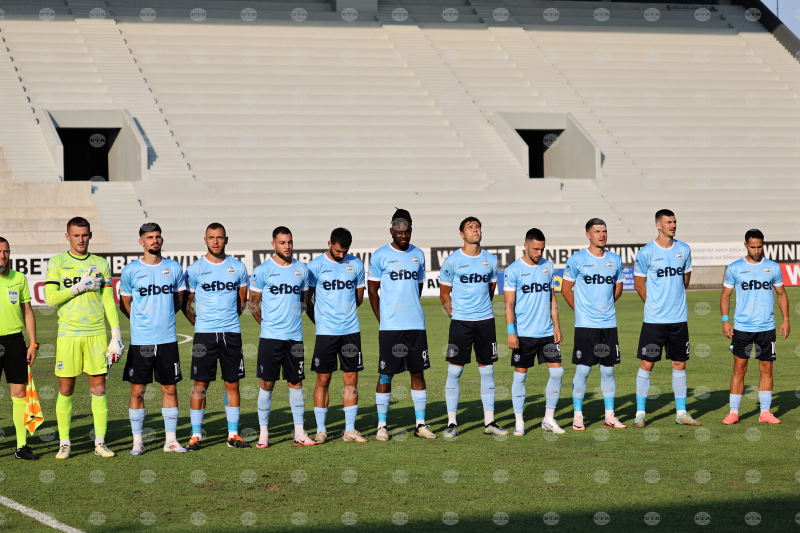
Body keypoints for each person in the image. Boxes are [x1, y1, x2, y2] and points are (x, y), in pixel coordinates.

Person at [44, 217, 123, 459]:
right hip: (68, 334)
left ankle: (100, 443)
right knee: (65, 388)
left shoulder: (101, 263)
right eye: (76, 235)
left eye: (85, 235)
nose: (81, 239)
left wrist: (116, 333)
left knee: (98, 389)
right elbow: (50, 297)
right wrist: (78, 287)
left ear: (90, 235)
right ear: (67, 236)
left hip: (96, 334)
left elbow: (108, 301)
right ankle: (64, 443)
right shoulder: (58, 262)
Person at [368, 209, 436, 441]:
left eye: (407, 232)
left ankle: (420, 425)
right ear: (391, 231)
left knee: (418, 372)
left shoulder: (418, 254)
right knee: (386, 374)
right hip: (391, 328)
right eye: (399, 232)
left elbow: (418, 287)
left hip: (416, 326)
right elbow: (373, 292)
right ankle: (381, 426)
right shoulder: (380, 255)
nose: (403, 235)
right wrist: (384, 319)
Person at [119, 223, 187, 454]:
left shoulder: (173, 267)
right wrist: (142, 321)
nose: (155, 240)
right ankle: (137, 441)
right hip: (142, 340)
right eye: (150, 237)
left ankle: (171, 441)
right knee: (138, 390)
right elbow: (125, 304)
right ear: (141, 242)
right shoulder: (130, 270)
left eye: (158, 236)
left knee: (170, 388)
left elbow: (179, 299)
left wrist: (163, 316)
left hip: (167, 339)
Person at [183, 223, 250, 450]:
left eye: (219, 237)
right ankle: (195, 435)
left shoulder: (237, 267)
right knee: (200, 385)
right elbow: (187, 304)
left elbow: (242, 301)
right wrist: (200, 324)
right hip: (205, 335)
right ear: (205, 240)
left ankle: (233, 435)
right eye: (211, 237)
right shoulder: (195, 269)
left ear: (226, 239)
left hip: (231, 333)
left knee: (232, 383)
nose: (215, 241)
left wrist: (228, 320)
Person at [249, 226, 316, 447]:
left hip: (295, 337)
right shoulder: (263, 270)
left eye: (290, 242)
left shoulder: (302, 270)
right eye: (282, 243)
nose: (287, 246)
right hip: (270, 337)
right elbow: (252, 303)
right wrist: (265, 323)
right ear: (273, 244)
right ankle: (264, 434)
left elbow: (304, 301)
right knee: (267, 383)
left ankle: (300, 432)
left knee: (296, 382)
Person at [633, 209, 701, 427]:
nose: (673, 225)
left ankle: (681, 413)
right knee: (647, 363)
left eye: (674, 221)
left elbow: (686, 278)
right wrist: (653, 304)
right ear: (658, 225)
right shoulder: (646, 252)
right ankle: (640, 414)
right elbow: (639, 284)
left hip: (679, 319)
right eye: (668, 222)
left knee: (679, 363)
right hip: (654, 321)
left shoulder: (684, 249)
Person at [440, 216, 506, 438]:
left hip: (486, 322)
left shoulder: (491, 259)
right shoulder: (452, 261)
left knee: (487, 371)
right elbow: (444, 294)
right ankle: (451, 423)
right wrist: (457, 315)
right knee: (455, 371)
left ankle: (490, 422)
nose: (475, 230)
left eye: (477, 227)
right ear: (462, 234)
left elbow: (491, 289)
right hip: (461, 324)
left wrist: (480, 311)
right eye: (470, 227)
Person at [561, 219, 625, 431]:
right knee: (583, 370)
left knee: (608, 371)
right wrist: (580, 311)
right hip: (586, 325)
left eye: (604, 231)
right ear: (588, 235)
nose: (602, 235)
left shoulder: (615, 260)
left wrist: (606, 307)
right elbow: (566, 289)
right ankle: (578, 416)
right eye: (597, 231)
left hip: (609, 324)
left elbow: (618, 288)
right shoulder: (577, 259)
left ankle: (610, 416)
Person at [720, 229, 790, 424]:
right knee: (739, 368)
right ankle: (733, 412)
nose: (756, 250)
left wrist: (786, 319)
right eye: (752, 247)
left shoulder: (772, 267)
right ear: (745, 245)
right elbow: (725, 296)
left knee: (767, 369)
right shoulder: (734, 268)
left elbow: (781, 294)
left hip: (767, 327)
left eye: (759, 247)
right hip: (742, 327)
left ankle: (765, 412)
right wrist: (725, 320)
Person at [306, 228, 368, 443]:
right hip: (326, 333)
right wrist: (320, 322)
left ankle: (349, 429)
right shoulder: (315, 266)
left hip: (351, 331)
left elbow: (358, 298)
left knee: (351, 380)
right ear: (329, 243)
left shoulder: (356, 264)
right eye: (338, 250)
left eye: (345, 251)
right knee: (323, 379)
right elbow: (307, 300)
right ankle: (321, 430)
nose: (341, 255)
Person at [504, 228, 564, 436]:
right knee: (520, 377)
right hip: (524, 333)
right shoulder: (513, 270)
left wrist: (557, 325)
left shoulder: (548, 266)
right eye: (536, 249)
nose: (539, 253)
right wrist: (511, 332)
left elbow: (552, 297)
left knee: (557, 372)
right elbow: (508, 304)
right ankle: (519, 421)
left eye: (542, 249)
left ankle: (548, 419)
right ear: (526, 246)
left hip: (547, 332)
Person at [0, 237, 39, 459]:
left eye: (6, 251)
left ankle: (21, 446)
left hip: (15, 341)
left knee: (20, 393)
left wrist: (32, 343)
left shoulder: (19, 278)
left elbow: (28, 312)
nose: (3, 256)